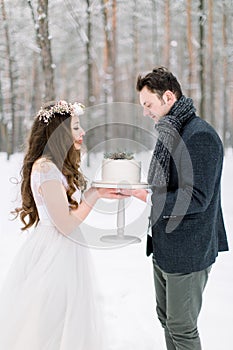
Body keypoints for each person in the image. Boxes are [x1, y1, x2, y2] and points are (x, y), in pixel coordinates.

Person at [0, 100, 128, 350]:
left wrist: (98, 191)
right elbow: (66, 225)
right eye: (76, 127)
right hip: (55, 253)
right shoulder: (46, 168)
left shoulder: (55, 166)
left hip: (65, 250)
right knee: (53, 322)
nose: (82, 133)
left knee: (68, 319)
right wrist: (94, 195)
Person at [121, 66, 229, 349]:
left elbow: (198, 197)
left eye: (148, 104)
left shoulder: (199, 135)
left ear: (168, 97)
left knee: (182, 327)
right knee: (166, 318)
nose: (145, 112)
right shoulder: (170, 132)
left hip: (189, 251)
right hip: (165, 246)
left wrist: (149, 198)